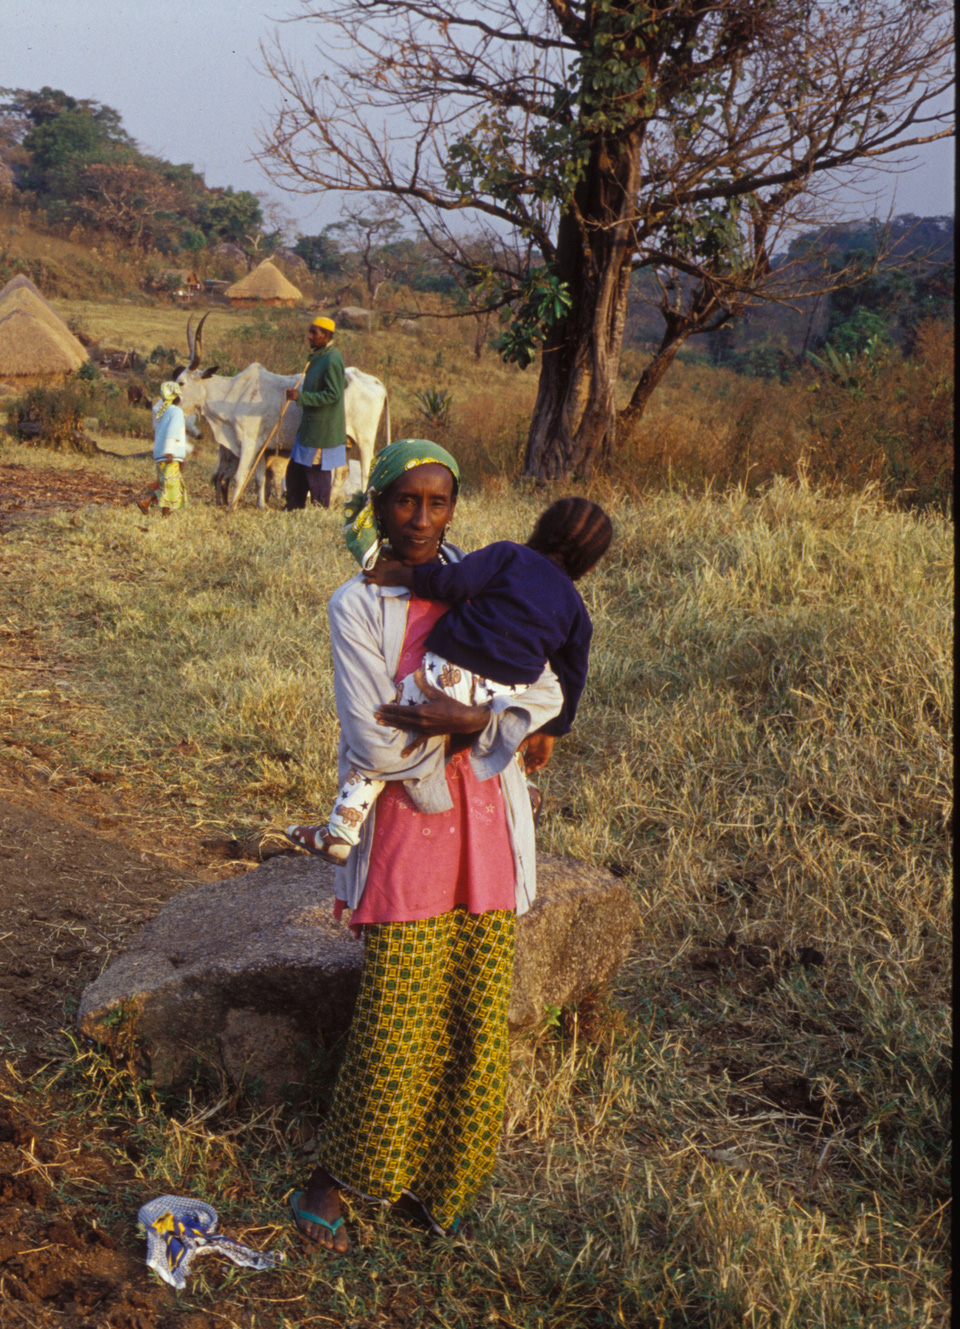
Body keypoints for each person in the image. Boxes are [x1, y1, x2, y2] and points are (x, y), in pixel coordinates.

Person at [283, 441, 565, 1255]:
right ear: (373, 503)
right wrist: (491, 731)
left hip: (489, 830)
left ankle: (443, 1188)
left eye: (437, 503)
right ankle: (339, 1178)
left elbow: (544, 690)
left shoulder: (493, 576)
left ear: (455, 508)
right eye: (404, 501)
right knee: (397, 1010)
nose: (421, 520)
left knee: (478, 1017)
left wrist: (478, 723)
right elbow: (374, 742)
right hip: (409, 825)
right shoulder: (355, 605)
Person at [289, 496, 612, 862]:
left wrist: (403, 575)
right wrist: (553, 729)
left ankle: (341, 830)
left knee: (385, 726)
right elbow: (572, 675)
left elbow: (454, 583)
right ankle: (523, 787)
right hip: (505, 691)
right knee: (506, 726)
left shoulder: (508, 555)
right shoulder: (576, 610)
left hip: (451, 672)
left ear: (539, 528)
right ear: (589, 565)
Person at [282, 316, 345, 510]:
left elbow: (333, 394)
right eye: (310, 332)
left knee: (316, 472)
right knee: (295, 470)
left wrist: (301, 398)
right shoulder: (319, 356)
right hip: (309, 426)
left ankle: (319, 514)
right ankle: (293, 508)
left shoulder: (332, 359)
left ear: (326, 336)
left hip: (321, 429)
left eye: (314, 333)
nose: (309, 336)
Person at [136, 381, 192, 516]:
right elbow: (172, 432)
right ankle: (147, 502)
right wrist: (170, 451)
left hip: (159, 454)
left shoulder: (162, 413)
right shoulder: (176, 412)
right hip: (168, 454)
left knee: (168, 485)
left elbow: (159, 432)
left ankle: (156, 508)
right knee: (171, 486)